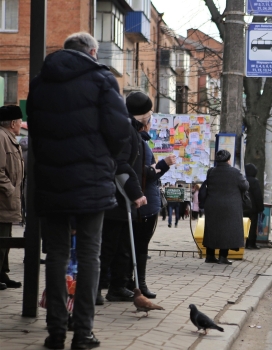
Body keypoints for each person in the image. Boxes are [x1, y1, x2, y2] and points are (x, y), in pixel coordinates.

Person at [27, 32, 131, 349]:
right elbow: (120, 130)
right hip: (91, 180)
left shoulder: (40, 81)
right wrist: (104, 158)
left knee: (56, 255)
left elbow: (35, 126)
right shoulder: (101, 78)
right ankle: (83, 332)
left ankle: (55, 330)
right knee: (89, 255)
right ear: (92, 51)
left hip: (51, 181)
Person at [98, 91, 149, 304]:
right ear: (145, 116)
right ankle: (98, 287)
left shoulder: (130, 130)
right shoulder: (127, 131)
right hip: (118, 199)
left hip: (121, 199)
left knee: (122, 246)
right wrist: (136, 193)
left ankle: (117, 286)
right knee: (109, 246)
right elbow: (121, 164)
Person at [124, 92, 174, 299]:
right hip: (143, 202)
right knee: (139, 245)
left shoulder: (139, 139)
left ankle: (134, 282)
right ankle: (138, 283)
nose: (152, 123)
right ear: (144, 121)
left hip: (144, 201)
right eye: (151, 118)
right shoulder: (137, 140)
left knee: (136, 244)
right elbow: (142, 173)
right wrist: (163, 165)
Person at [202, 150, 249, 264]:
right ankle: (223, 257)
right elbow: (245, 186)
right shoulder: (235, 172)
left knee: (212, 230)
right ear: (228, 160)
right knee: (227, 230)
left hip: (212, 205)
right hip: (230, 207)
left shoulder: (211, 171)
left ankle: (210, 256)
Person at [0, 105, 24, 291]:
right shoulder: (1, 138)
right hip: (3, 200)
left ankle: (2, 273)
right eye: (20, 121)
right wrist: (10, 189)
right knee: (2, 238)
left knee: (6, 236)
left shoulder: (10, 139)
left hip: (9, 200)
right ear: (14, 123)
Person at [243, 164, 264, 250]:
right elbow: (257, 195)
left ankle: (240, 243)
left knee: (243, 225)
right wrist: (260, 208)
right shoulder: (254, 181)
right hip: (253, 208)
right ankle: (250, 244)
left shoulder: (242, 179)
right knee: (252, 226)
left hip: (243, 206)